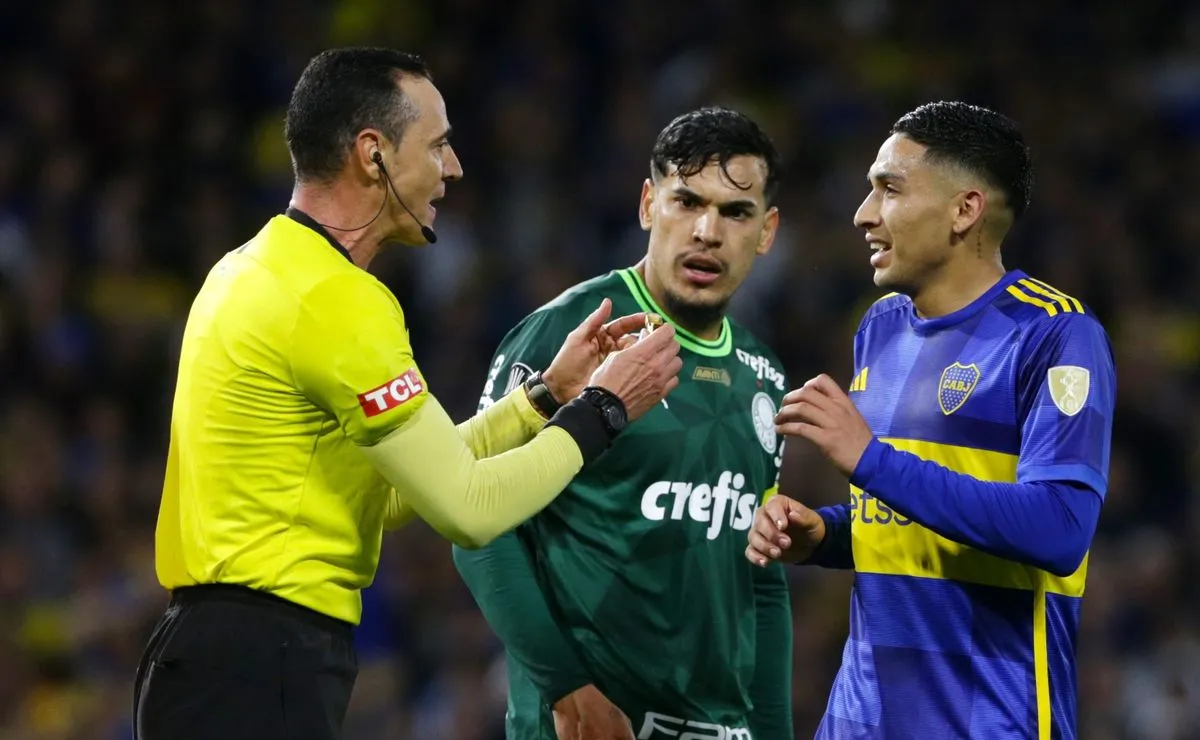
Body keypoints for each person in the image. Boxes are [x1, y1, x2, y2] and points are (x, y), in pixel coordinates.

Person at [132, 47, 682, 740]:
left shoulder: (251, 270)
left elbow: (395, 491)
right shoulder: (337, 299)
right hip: (259, 664)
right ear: (374, 155)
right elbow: (469, 508)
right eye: (439, 145)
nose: (452, 168)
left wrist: (541, 399)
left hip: (215, 656)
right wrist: (605, 409)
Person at [746, 101, 1115, 739]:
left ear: (964, 210)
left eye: (888, 189)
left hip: (987, 721)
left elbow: (1059, 530)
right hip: (858, 720)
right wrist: (826, 536)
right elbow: (905, 511)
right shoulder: (880, 327)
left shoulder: (1054, 335)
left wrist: (869, 459)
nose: (863, 214)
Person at [454, 106, 794, 740]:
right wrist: (566, 689)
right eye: (686, 201)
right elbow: (477, 527)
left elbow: (761, 579)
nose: (706, 231)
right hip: (588, 725)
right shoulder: (571, 331)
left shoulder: (765, 375)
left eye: (735, 212)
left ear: (766, 231)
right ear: (647, 206)